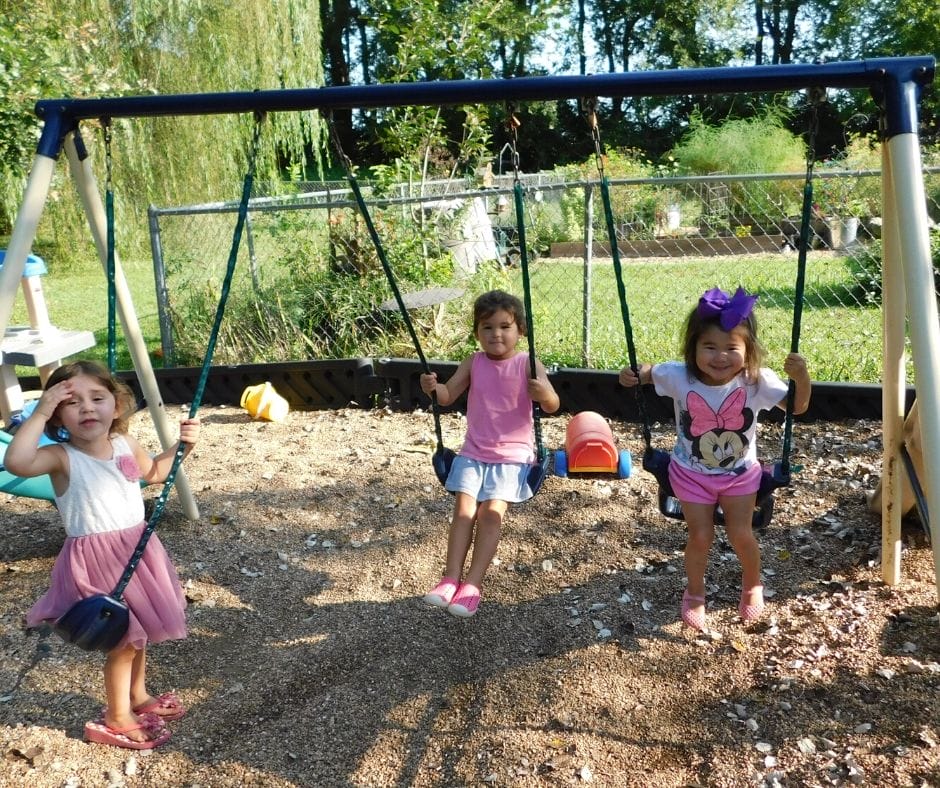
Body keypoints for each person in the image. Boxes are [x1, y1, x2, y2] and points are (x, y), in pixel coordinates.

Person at [4, 360, 200, 749]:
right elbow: (16, 462)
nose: (88, 408)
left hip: (139, 551)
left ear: (118, 403)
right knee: (123, 640)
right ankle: (116, 717)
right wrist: (40, 410)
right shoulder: (60, 457)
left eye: (98, 398)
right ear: (58, 415)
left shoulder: (125, 445)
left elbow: (156, 473)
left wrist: (183, 447)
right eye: (72, 402)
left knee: (140, 632)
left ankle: (138, 696)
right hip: (98, 561)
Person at [619, 286, 811, 631]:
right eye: (709, 347)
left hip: (739, 476)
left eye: (731, 348)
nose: (720, 356)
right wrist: (630, 374)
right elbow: (648, 372)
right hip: (691, 475)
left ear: (747, 351)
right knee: (700, 537)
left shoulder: (757, 382)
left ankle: (752, 585)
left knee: (741, 535)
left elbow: (797, 407)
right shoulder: (680, 376)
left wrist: (801, 377)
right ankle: (695, 593)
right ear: (693, 348)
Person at [419, 290, 560, 618]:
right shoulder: (474, 362)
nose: (496, 334)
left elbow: (553, 405)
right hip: (474, 451)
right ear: (477, 332)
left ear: (520, 331)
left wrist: (545, 393)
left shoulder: (528, 363)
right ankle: (449, 579)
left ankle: (473, 585)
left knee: (490, 514)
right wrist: (433, 387)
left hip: (513, 456)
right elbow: (446, 396)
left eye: (505, 326)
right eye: (487, 327)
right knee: (464, 511)